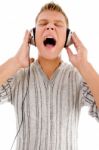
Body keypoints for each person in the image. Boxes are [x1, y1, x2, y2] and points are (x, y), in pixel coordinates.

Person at [0, 2, 99, 150]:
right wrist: (15, 62)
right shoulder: (18, 77)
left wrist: (85, 66)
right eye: (43, 23)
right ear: (32, 37)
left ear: (67, 38)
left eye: (58, 24)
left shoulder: (78, 77)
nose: (50, 26)